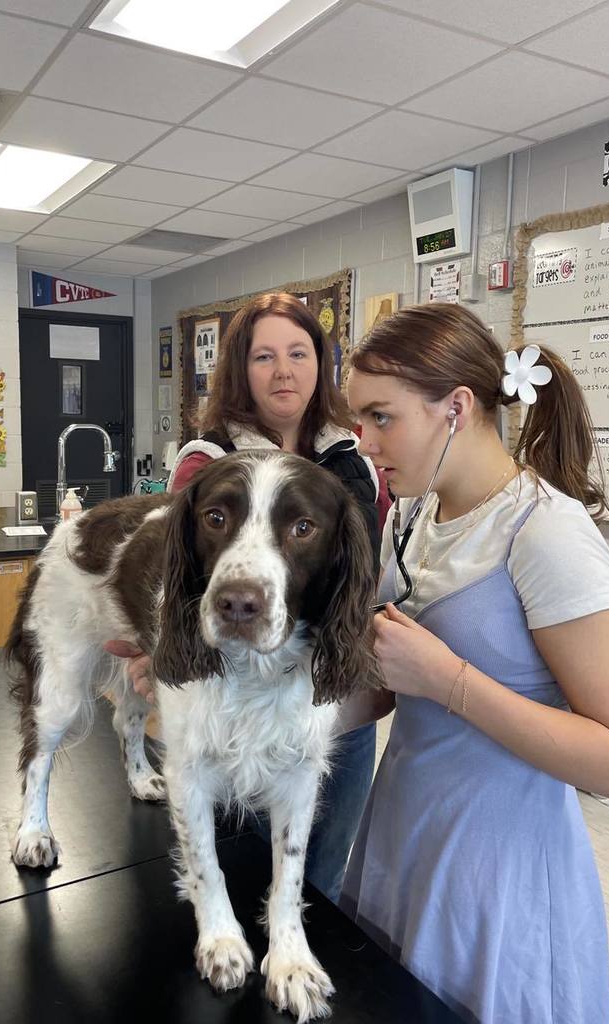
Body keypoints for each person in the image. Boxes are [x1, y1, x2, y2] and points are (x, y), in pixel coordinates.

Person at [338, 303, 609, 1023]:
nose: (363, 441)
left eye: (380, 417)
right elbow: (382, 691)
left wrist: (449, 682)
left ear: (455, 408)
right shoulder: (411, 517)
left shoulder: (544, 530)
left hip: (498, 864)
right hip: (403, 828)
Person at [112, 291, 389, 905]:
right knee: (236, 861)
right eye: (264, 356)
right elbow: (173, 574)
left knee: (322, 868)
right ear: (239, 368)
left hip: (332, 693)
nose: (284, 370)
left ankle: (293, 950)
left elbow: (369, 581)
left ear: (321, 363)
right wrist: (157, 646)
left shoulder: (357, 464)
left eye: (298, 352)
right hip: (227, 699)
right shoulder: (205, 463)